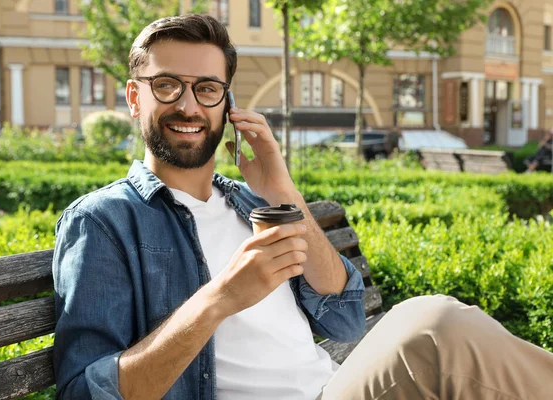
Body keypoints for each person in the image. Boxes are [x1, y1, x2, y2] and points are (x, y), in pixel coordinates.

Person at [52, 14, 553, 400]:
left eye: (206, 89)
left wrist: (283, 192)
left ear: (227, 106)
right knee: (435, 326)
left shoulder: (249, 203)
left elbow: (345, 320)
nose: (188, 106)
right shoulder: (103, 222)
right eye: (167, 86)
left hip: (330, 385)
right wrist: (219, 299)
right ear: (135, 98)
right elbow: (85, 391)